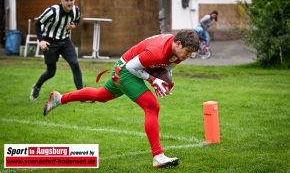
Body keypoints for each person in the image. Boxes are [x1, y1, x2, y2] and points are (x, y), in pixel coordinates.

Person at [42, 29, 200, 168]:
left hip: (134, 68)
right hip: (125, 70)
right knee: (152, 106)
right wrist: (153, 80)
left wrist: (164, 82)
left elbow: (166, 67)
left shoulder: (178, 50)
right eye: (187, 51)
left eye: (191, 53)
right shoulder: (157, 51)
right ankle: (158, 156)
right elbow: (131, 66)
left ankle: (60, 98)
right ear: (178, 43)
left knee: (100, 95)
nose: (188, 56)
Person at [30, 0, 83, 101]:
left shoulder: (76, 10)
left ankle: (81, 95)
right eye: (66, 0)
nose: (69, 3)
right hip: (50, 42)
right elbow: (38, 23)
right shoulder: (52, 11)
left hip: (65, 41)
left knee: (75, 63)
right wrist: (41, 40)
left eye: (71, 0)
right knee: (51, 72)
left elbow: (77, 20)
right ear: (61, 1)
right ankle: (37, 86)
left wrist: (74, 25)